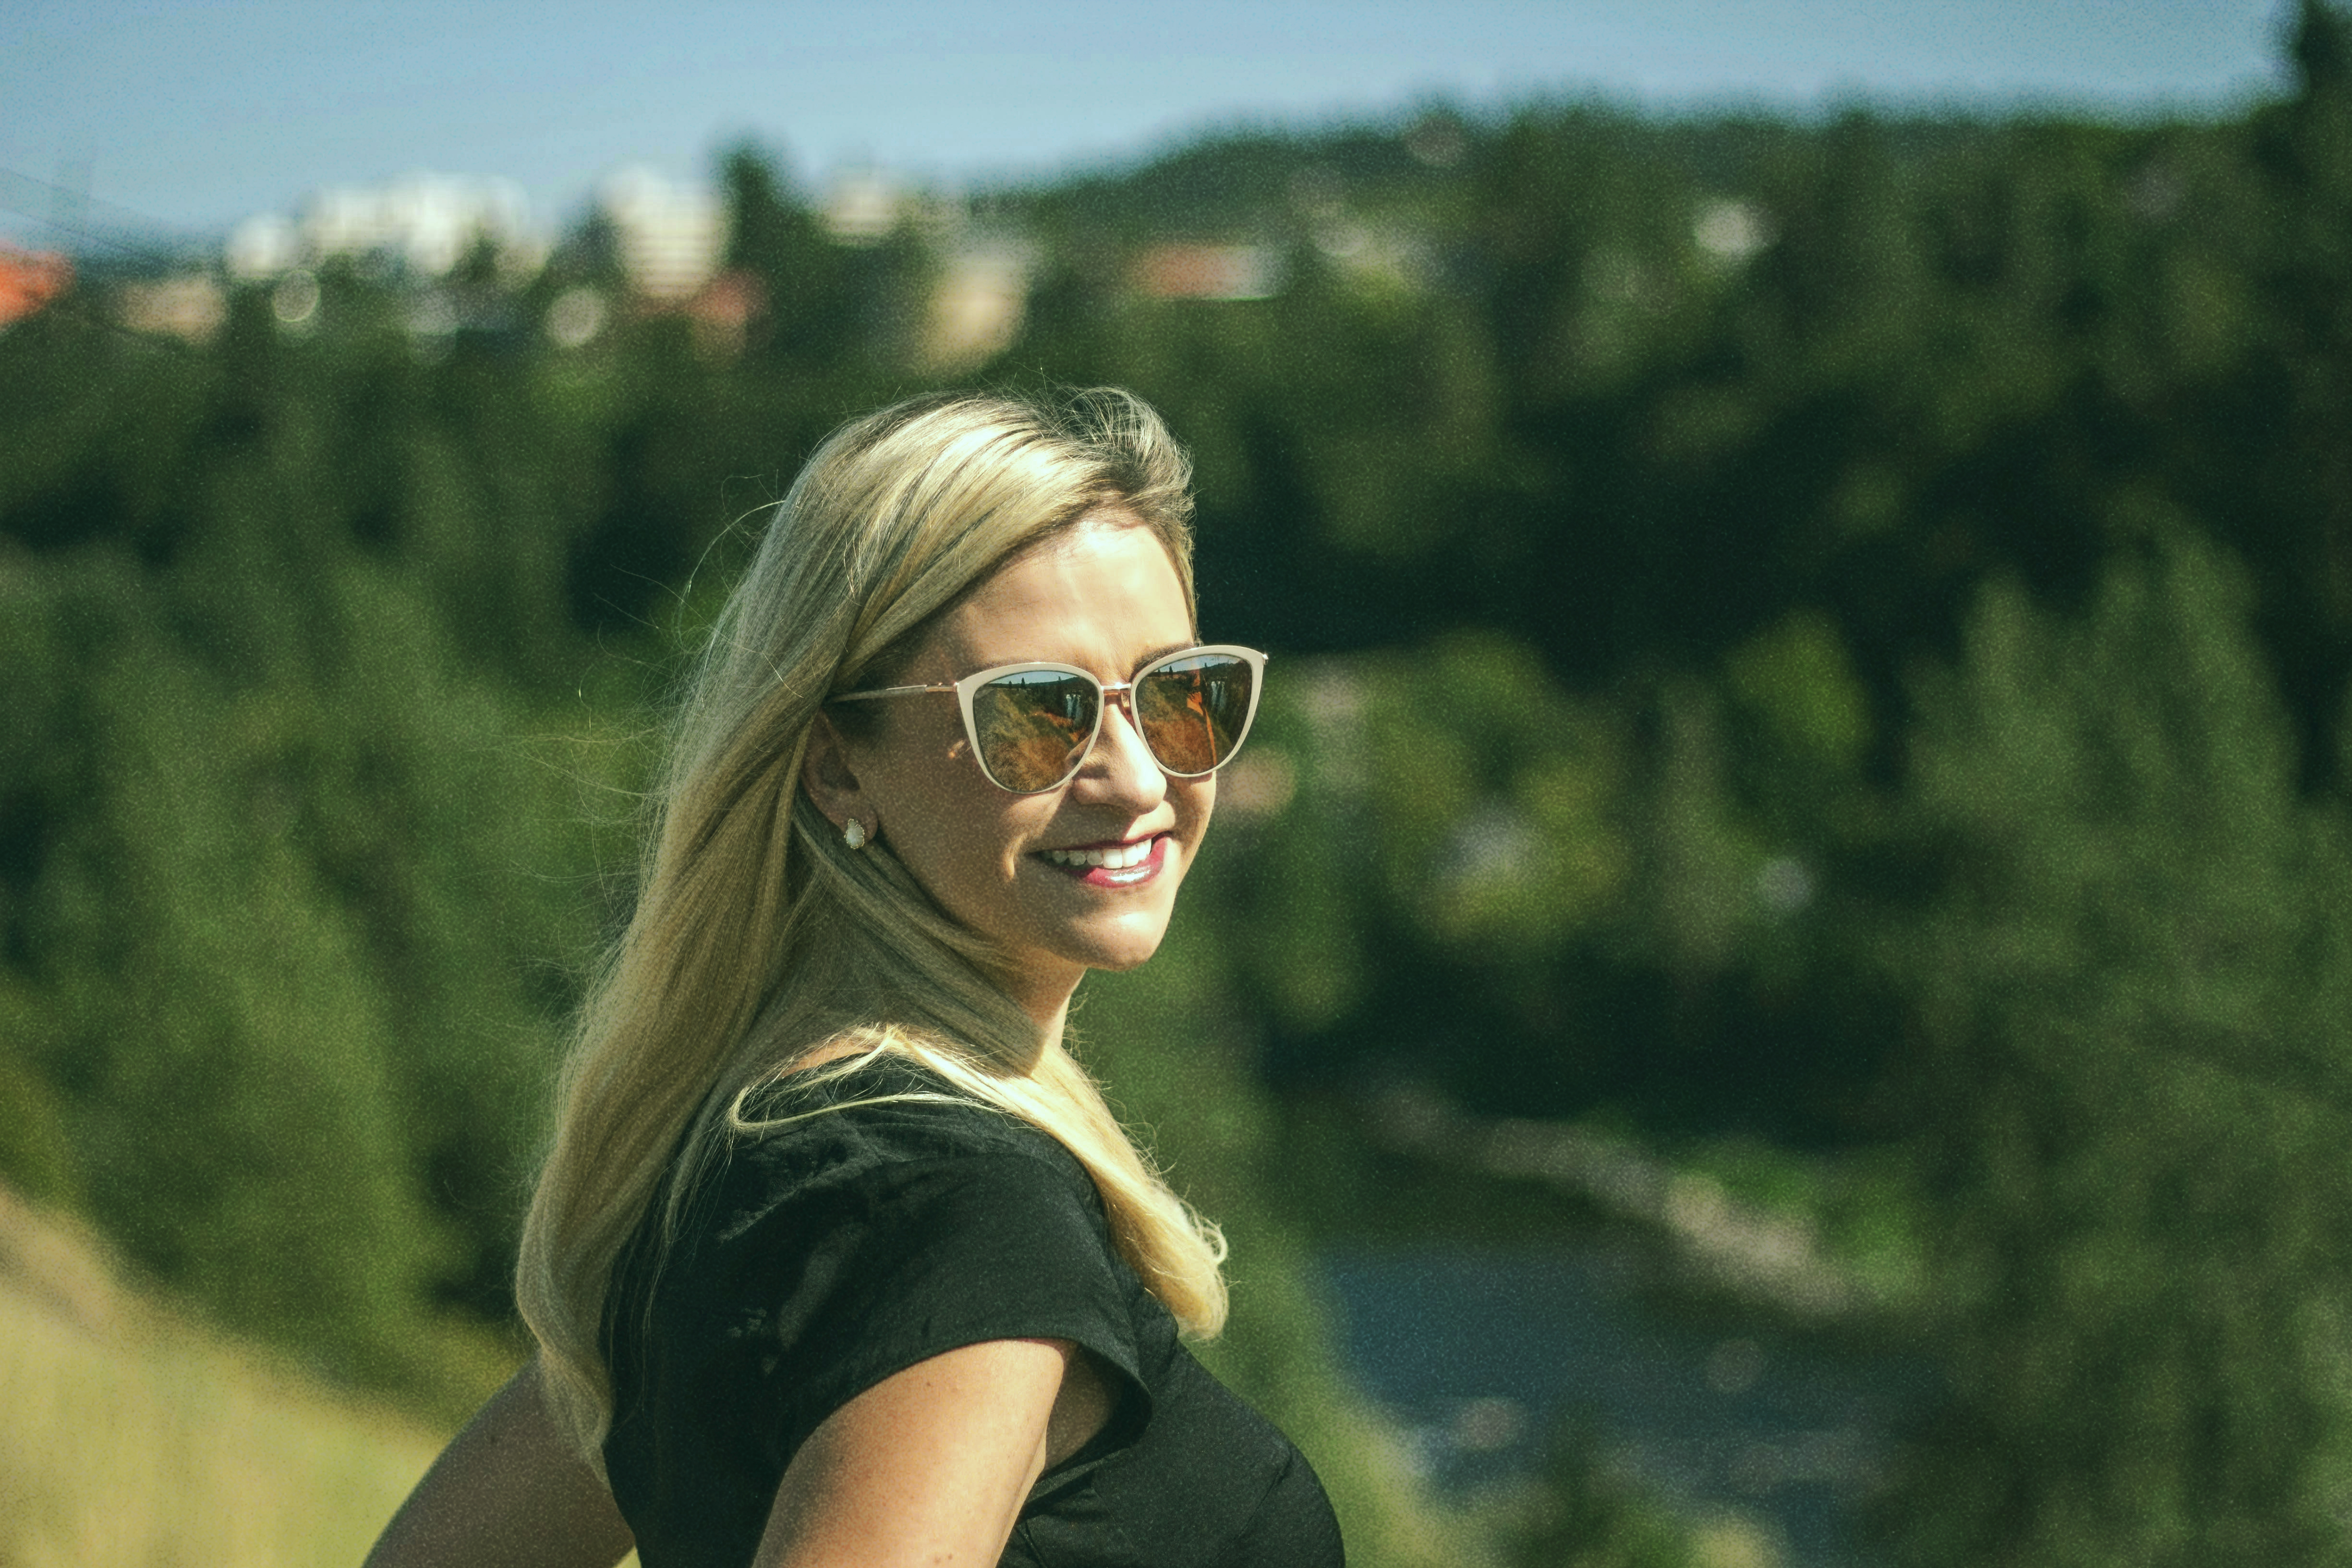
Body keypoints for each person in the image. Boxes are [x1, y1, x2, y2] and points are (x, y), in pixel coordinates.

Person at [364, 389, 1346, 1568]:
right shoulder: (955, 1213)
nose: (1137, 777)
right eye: (1038, 715)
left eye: (1182, 694)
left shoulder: (743, 1160)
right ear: (837, 769)